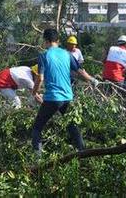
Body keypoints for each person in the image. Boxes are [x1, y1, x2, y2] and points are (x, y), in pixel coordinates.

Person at [31, 29, 99, 157]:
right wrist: (92, 80)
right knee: (71, 125)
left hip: (52, 98)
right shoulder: (67, 54)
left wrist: (34, 93)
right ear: (58, 41)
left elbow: (40, 78)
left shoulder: (44, 56)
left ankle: (37, 160)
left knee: (37, 128)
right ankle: (83, 153)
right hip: (67, 97)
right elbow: (80, 71)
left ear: (45, 41)